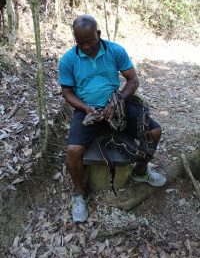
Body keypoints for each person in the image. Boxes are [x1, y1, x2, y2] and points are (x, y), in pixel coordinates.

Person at [59, 14, 166, 223]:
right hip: (86, 110)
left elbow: (132, 80)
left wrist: (116, 101)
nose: (86, 47)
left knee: (154, 132)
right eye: (80, 43)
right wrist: (85, 107)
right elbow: (67, 92)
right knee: (73, 151)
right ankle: (80, 193)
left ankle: (141, 171)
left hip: (118, 105)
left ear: (98, 34)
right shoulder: (69, 59)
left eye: (90, 41)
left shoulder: (115, 51)